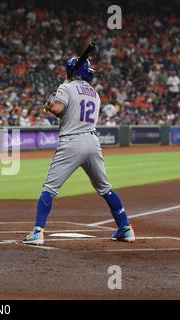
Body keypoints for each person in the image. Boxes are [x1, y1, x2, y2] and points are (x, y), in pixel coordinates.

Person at [22, 58, 135, 246]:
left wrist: (50, 103)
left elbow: (58, 109)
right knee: (105, 189)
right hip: (92, 141)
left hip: (71, 142)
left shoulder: (66, 88)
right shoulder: (95, 94)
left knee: (49, 189)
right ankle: (125, 228)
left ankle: (37, 232)